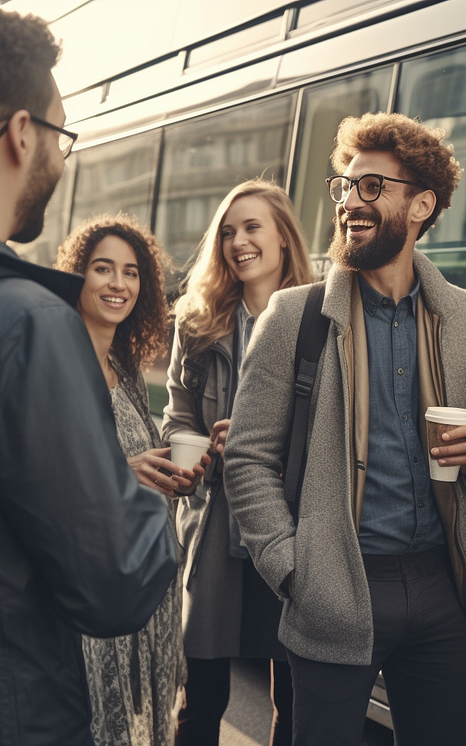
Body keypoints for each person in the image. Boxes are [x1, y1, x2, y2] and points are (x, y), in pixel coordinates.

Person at [223, 112, 466, 746]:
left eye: (372, 187)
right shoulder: (293, 315)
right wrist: (293, 570)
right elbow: (245, 458)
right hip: (335, 586)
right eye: (344, 187)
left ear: (422, 205)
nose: (350, 202)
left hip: (446, 594)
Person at [0, 10, 177, 746]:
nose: (62, 158)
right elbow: (118, 579)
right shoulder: (33, 323)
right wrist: (131, 496)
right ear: (20, 133)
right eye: (62, 135)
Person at [162, 179, 314, 746]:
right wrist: (204, 445)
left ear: (282, 239)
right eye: (228, 231)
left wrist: (263, 444)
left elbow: (336, 424)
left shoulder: (319, 320)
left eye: (252, 228)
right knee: (201, 702)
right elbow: (176, 419)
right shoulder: (196, 323)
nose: (238, 242)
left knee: (294, 701)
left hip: (292, 529)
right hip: (218, 532)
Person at [55, 214, 194, 746]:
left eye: (131, 272)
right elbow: (39, 475)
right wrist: (121, 473)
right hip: (90, 588)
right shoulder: (57, 362)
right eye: (103, 269)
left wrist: (174, 472)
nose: (118, 284)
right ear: (77, 276)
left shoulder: (126, 365)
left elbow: (141, 460)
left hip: (146, 579)